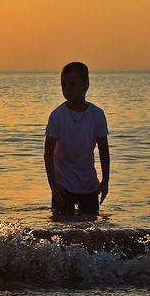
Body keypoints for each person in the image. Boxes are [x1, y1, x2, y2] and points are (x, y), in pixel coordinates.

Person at [44, 62, 110, 217]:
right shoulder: (57, 116)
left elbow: (104, 150)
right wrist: (53, 186)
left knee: (91, 230)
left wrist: (105, 180)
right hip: (63, 186)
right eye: (64, 85)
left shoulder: (97, 114)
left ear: (86, 85)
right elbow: (48, 153)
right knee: (61, 232)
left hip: (89, 185)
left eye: (73, 85)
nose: (67, 90)